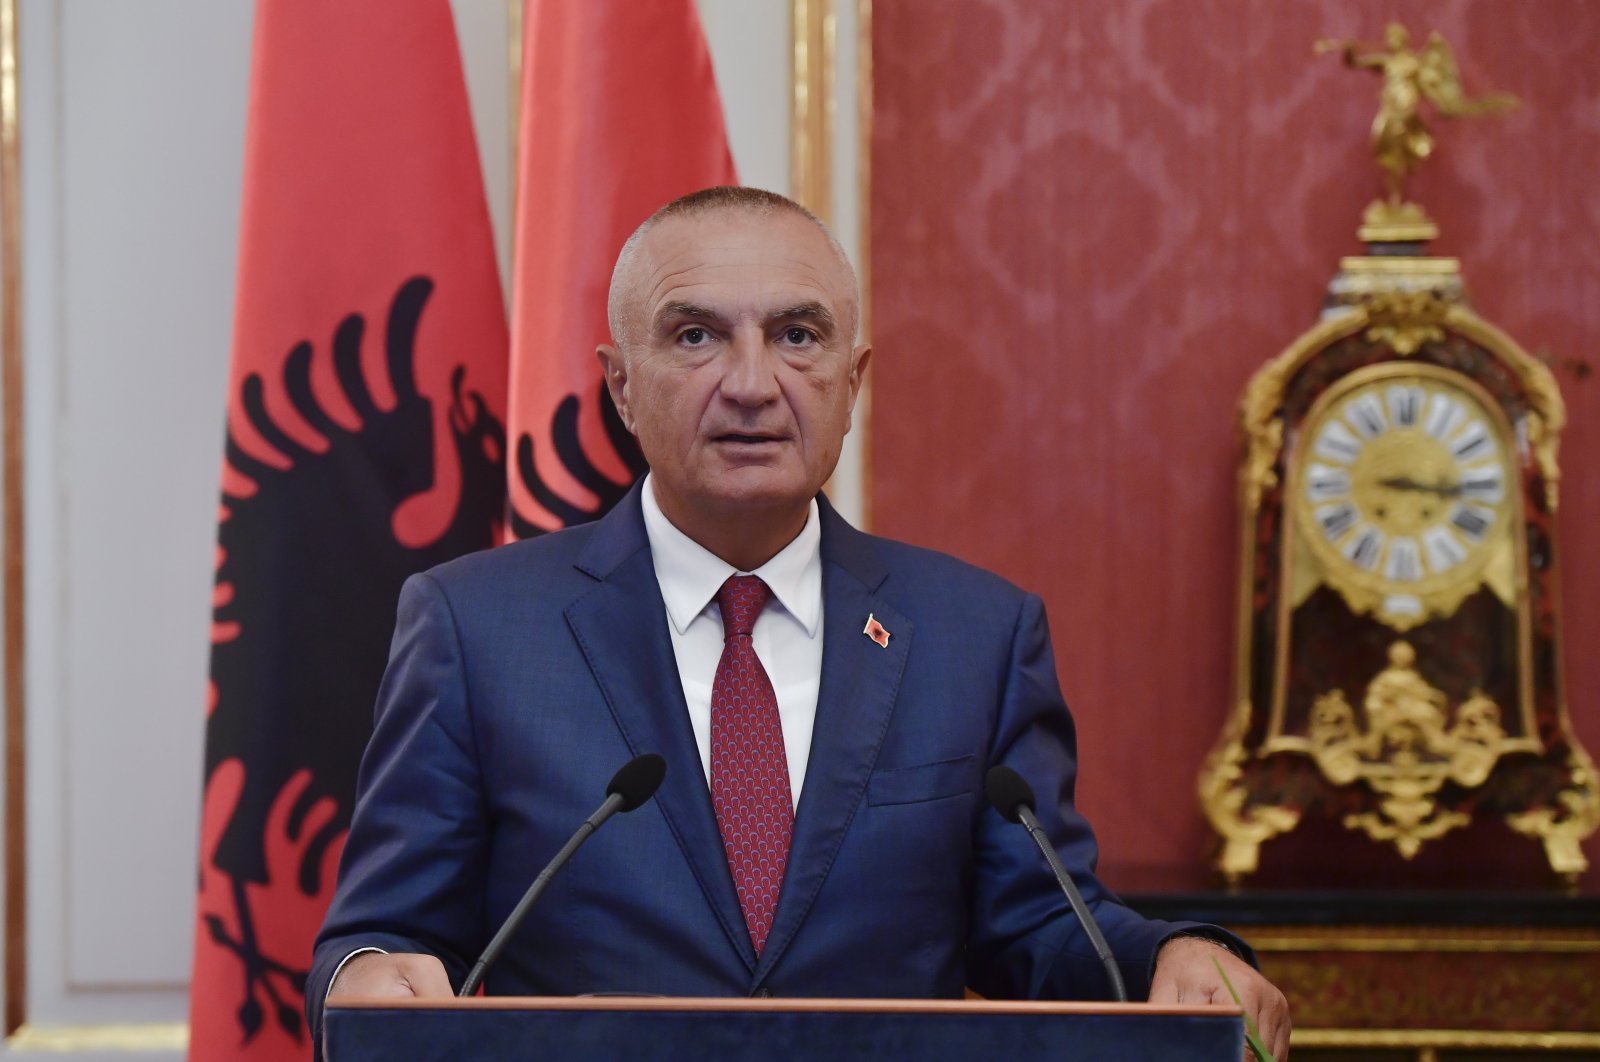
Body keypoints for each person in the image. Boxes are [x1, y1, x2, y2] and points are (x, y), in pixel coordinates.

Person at [309, 187, 1291, 1058]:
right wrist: (366, 970)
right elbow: (391, 934)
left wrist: (1178, 954)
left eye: (797, 335)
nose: (750, 383)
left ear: (851, 381)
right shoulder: (476, 629)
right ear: (619, 385)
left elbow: (1039, 923)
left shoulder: (974, 636)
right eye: (695, 336)